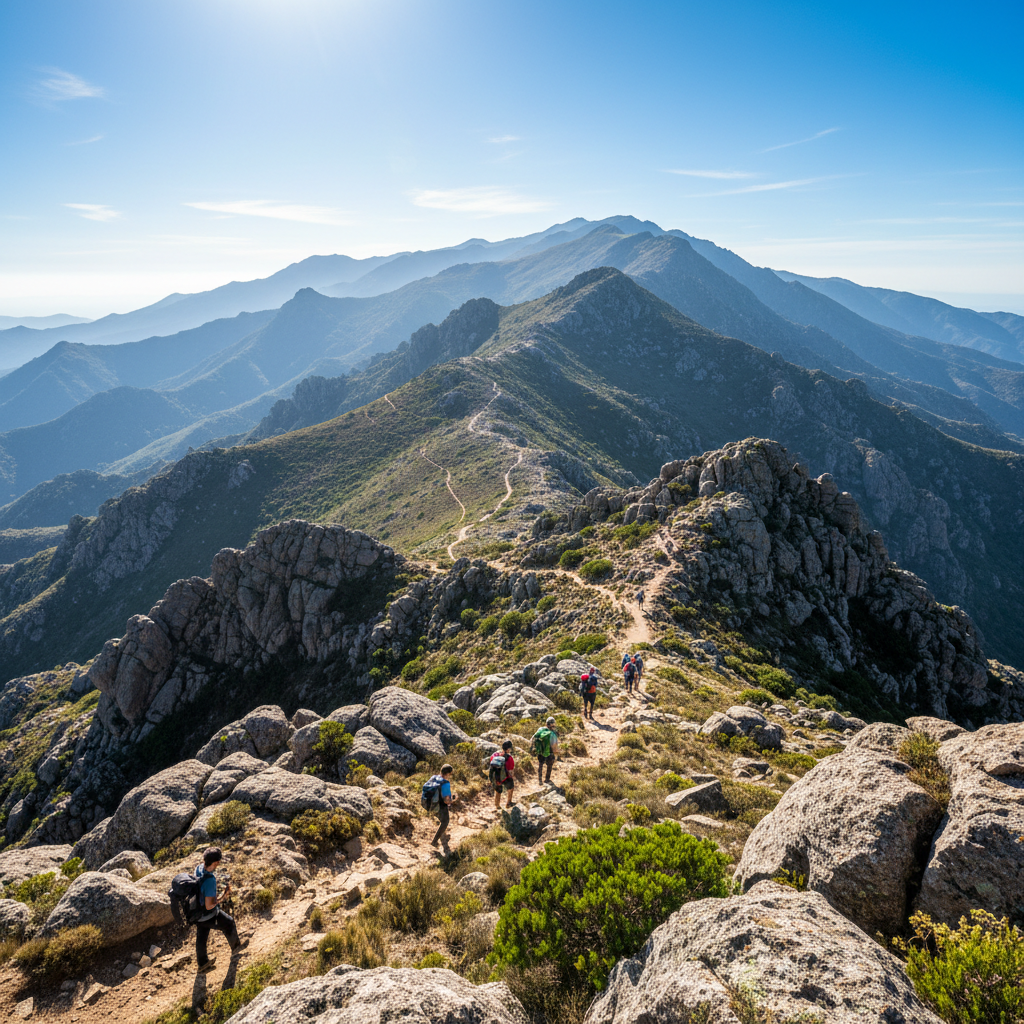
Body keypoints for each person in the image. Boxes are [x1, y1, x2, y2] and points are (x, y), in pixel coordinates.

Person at [195, 847, 247, 974]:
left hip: (197, 912)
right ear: (215, 863)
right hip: (207, 913)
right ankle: (236, 948)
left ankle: (202, 963)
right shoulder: (210, 880)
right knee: (228, 923)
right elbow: (210, 905)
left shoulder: (199, 868)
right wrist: (224, 895)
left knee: (202, 935)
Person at [430, 764, 455, 848]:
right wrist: (454, 799)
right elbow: (447, 801)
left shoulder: (434, 777)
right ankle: (434, 841)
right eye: (450, 774)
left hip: (431, 804)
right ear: (448, 773)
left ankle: (443, 835)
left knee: (441, 819)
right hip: (440, 806)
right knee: (445, 822)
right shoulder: (446, 783)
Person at [530, 717, 560, 784]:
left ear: (546, 724)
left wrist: (532, 747)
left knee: (540, 764)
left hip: (541, 750)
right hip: (550, 751)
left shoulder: (541, 729)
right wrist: (556, 755)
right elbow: (555, 745)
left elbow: (533, 738)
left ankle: (540, 780)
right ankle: (547, 779)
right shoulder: (553, 733)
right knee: (549, 765)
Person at [490, 741, 516, 810]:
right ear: (508, 749)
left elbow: (491, 764)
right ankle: (508, 803)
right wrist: (512, 777)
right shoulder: (509, 758)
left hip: (496, 777)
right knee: (511, 788)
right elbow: (510, 771)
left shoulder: (494, 755)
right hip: (505, 777)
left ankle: (497, 806)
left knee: (498, 791)